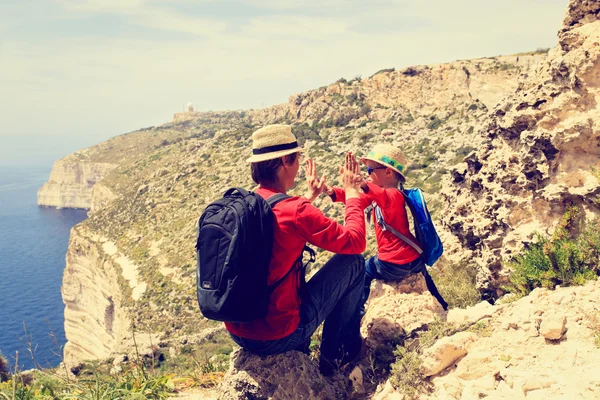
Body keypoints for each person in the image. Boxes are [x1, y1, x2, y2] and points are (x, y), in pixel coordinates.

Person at [224, 124, 367, 376]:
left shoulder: (247, 204)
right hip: (277, 337)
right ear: (284, 161)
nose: (300, 165)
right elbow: (356, 241)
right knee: (353, 263)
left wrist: (308, 198)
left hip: (239, 332)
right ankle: (335, 359)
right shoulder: (296, 211)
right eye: (297, 158)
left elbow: (281, 225)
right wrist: (353, 194)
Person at [325, 143, 448, 314]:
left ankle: (359, 310)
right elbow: (355, 200)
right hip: (415, 259)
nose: (367, 175)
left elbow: (382, 197)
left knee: (365, 269)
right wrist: (331, 192)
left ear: (388, 172)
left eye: (369, 171)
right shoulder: (379, 195)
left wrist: (363, 184)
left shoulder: (393, 195)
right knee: (426, 278)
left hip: (393, 264)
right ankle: (442, 304)